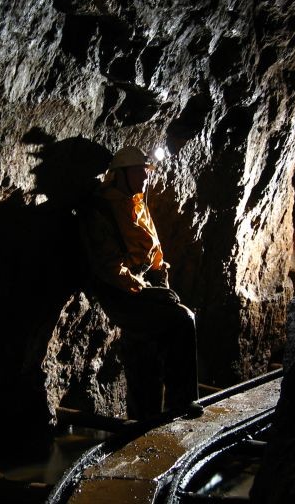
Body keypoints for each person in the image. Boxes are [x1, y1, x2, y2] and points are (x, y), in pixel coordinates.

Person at [79, 145, 200, 420]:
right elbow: (108, 266)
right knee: (182, 320)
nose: (146, 177)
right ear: (121, 174)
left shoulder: (135, 203)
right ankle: (181, 402)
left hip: (142, 286)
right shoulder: (101, 209)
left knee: (148, 341)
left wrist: (163, 286)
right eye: (140, 171)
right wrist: (145, 291)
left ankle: (144, 415)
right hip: (118, 291)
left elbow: (153, 250)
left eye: (147, 171)